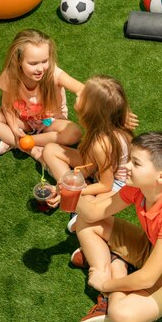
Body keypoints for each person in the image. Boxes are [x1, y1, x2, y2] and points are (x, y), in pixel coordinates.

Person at [70, 132, 162, 322]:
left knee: (122, 316)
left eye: (136, 164)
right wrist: (70, 190)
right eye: (130, 160)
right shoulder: (137, 188)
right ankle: (107, 269)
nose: (126, 167)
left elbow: (147, 278)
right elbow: (92, 212)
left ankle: (116, 269)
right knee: (85, 221)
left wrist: (107, 283)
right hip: (153, 250)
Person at [0, 29, 84, 162]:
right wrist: (14, 127)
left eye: (45, 61)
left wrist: (81, 101)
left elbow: (82, 90)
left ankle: (20, 141)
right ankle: (35, 152)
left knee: (74, 133)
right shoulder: (11, 75)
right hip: (23, 120)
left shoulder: (54, 74)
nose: (40, 69)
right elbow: (7, 106)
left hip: (50, 121)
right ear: (19, 61)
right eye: (33, 63)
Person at [43, 75, 134, 229]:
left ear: (91, 110)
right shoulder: (101, 127)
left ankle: (78, 196)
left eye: (82, 94)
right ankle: (76, 189)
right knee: (50, 150)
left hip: (118, 183)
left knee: (82, 219)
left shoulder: (102, 143)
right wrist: (70, 185)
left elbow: (106, 185)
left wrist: (69, 191)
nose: (78, 92)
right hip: (98, 166)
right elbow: (91, 163)